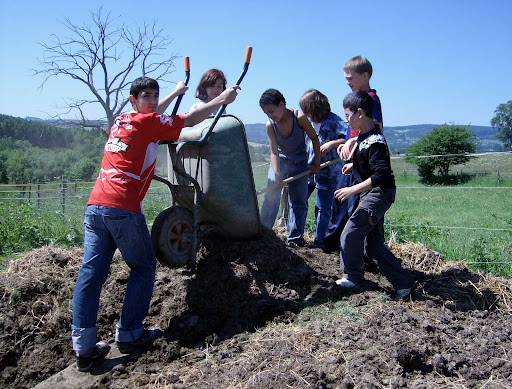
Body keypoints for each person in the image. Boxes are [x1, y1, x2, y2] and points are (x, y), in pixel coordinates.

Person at [71, 76, 240, 372]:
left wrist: (175, 91)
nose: (151, 100)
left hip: (96, 205)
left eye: (155, 95)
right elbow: (187, 120)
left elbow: (151, 115)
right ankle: (130, 332)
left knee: (91, 273)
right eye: (145, 96)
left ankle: (83, 347)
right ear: (133, 100)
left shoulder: (123, 120)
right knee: (144, 266)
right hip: (121, 207)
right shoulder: (146, 123)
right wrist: (221, 101)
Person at [334, 90, 414, 299]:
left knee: (350, 233)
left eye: (347, 115)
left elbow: (381, 175)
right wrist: (354, 165)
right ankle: (403, 283)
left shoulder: (376, 140)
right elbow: (370, 164)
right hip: (373, 193)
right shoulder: (365, 136)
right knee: (373, 245)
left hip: (378, 194)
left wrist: (352, 189)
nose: (346, 119)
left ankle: (352, 276)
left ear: (360, 113)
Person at [322, 55, 383, 252]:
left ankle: (366, 250)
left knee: (358, 205)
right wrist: (347, 143)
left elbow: (376, 129)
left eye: (350, 78)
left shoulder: (371, 101)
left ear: (365, 76)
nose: (347, 82)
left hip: (363, 161)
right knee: (343, 201)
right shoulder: (357, 100)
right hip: (353, 160)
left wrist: (353, 142)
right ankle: (338, 243)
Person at [259, 88, 321, 247]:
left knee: (298, 201)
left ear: (282, 105)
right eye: (267, 113)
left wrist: (316, 163)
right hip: (280, 162)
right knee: (271, 198)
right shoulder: (270, 125)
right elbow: (274, 152)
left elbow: (314, 139)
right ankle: (263, 234)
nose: (270, 116)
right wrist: (277, 174)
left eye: (272, 111)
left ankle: (295, 240)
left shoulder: (299, 118)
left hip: (300, 164)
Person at [299, 89, 348, 248]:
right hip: (308, 170)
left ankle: (320, 241)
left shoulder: (334, 121)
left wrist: (331, 144)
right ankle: (296, 238)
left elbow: (349, 138)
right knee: (299, 201)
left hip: (328, 171)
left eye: (307, 108)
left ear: (315, 106)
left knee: (323, 207)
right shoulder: (307, 121)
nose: (305, 112)